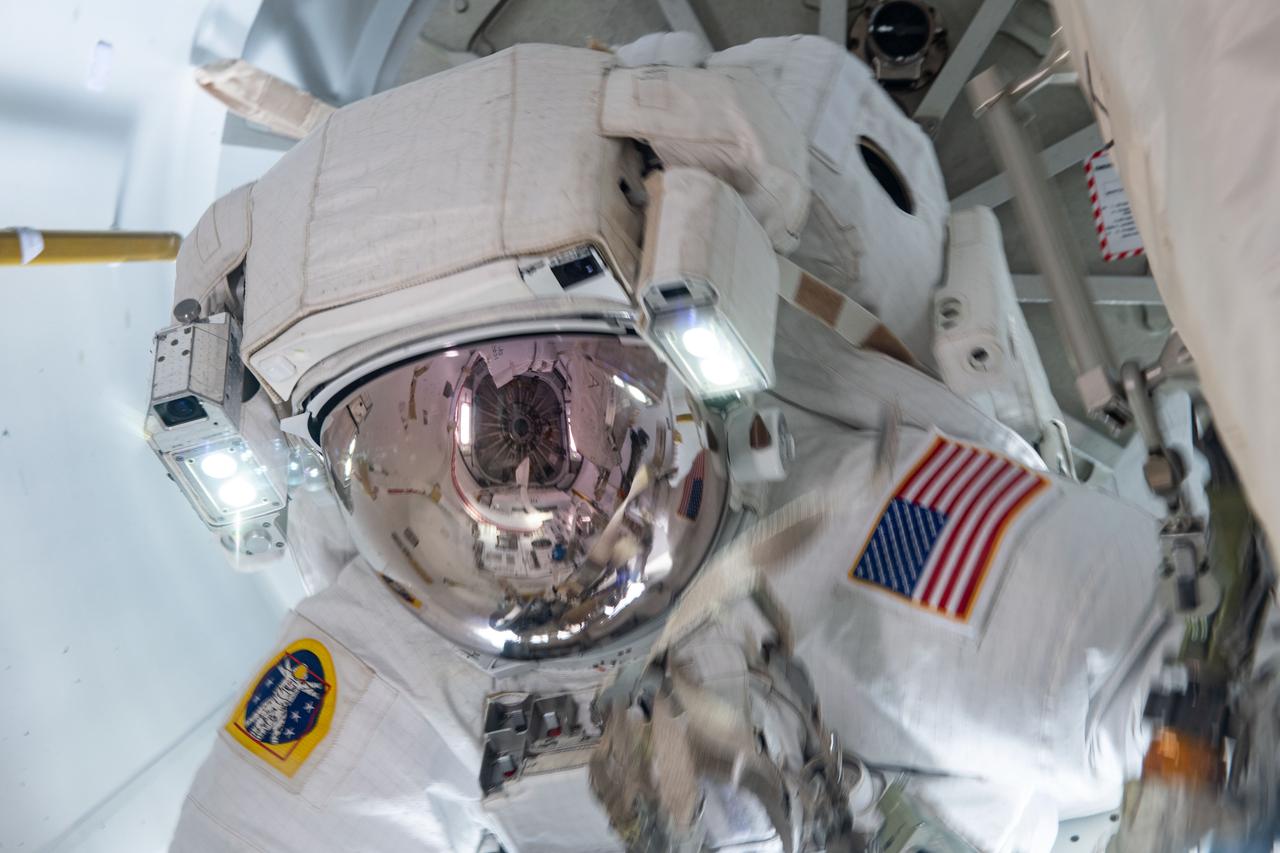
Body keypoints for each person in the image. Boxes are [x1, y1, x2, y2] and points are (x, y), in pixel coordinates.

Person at [165, 34, 1174, 852]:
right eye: (423, 423)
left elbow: (1170, 667)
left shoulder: (878, 531)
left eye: (554, 406)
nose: (510, 484)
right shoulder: (399, 632)